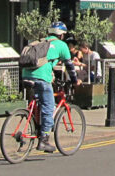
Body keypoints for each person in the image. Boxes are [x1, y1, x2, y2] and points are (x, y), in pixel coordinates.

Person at [22, 21, 79, 153]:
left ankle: (33, 122)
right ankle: (44, 140)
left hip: (26, 75)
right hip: (41, 78)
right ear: (62, 35)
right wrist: (75, 80)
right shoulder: (62, 45)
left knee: (38, 101)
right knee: (48, 107)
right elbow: (70, 66)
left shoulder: (40, 42)